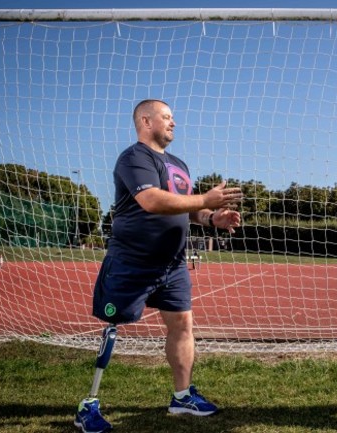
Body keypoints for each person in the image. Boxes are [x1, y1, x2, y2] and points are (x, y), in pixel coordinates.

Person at [74, 99, 243, 433]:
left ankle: (182, 396)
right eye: (166, 117)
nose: (173, 123)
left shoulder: (178, 163)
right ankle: (88, 405)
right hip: (132, 260)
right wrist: (204, 201)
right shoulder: (134, 157)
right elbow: (151, 200)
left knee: (182, 325)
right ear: (145, 120)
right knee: (113, 324)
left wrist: (211, 217)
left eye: (173, 118)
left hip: (174, 263)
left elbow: (189, 208)